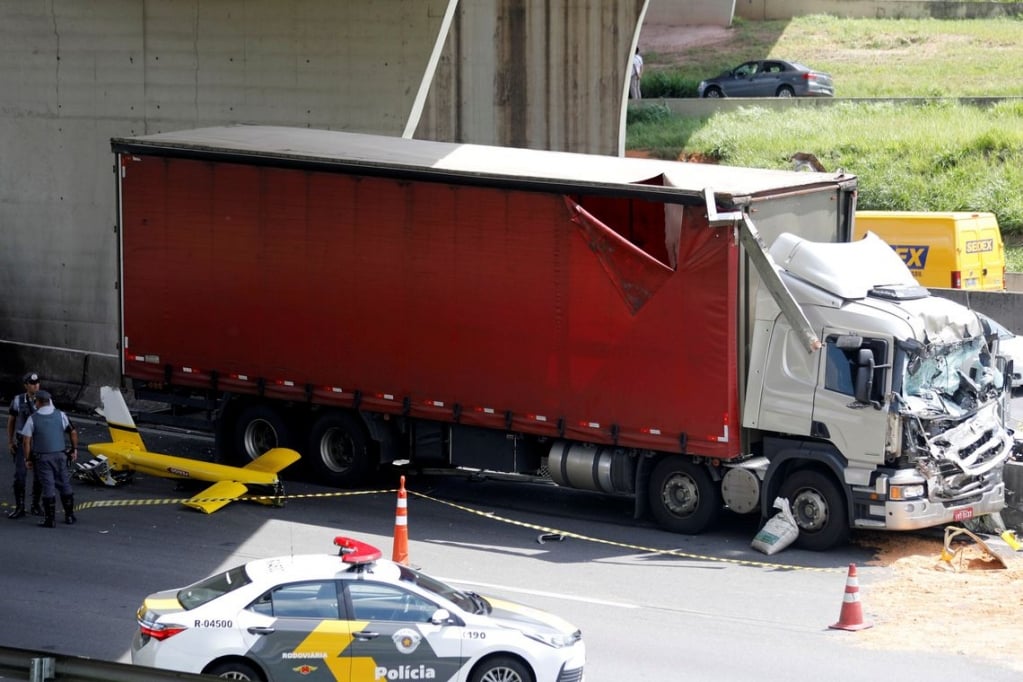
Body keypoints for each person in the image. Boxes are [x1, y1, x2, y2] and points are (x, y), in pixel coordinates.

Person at [21, 389, 79, 527]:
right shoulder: (61, 415)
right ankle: (69, 516)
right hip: (60, 455)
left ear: (39, 402)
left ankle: (50, 519)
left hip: (43, 458)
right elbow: (73, 431)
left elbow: (26, 441)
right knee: (64, 484)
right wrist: (74, 449)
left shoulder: (33, 419)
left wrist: (28, 459)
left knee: (48, 486)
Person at [7, 371, 44, 519]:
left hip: (39, 442)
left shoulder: (45, 400)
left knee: (39, 476)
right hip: (23, 442)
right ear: (26, 385)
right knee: (20, 476)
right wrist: (10, 441)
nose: (35, 386)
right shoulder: (18, 400)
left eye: (37, 383)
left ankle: (35, 505)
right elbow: (11, 421)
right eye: (32, 383)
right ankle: (20, 506)